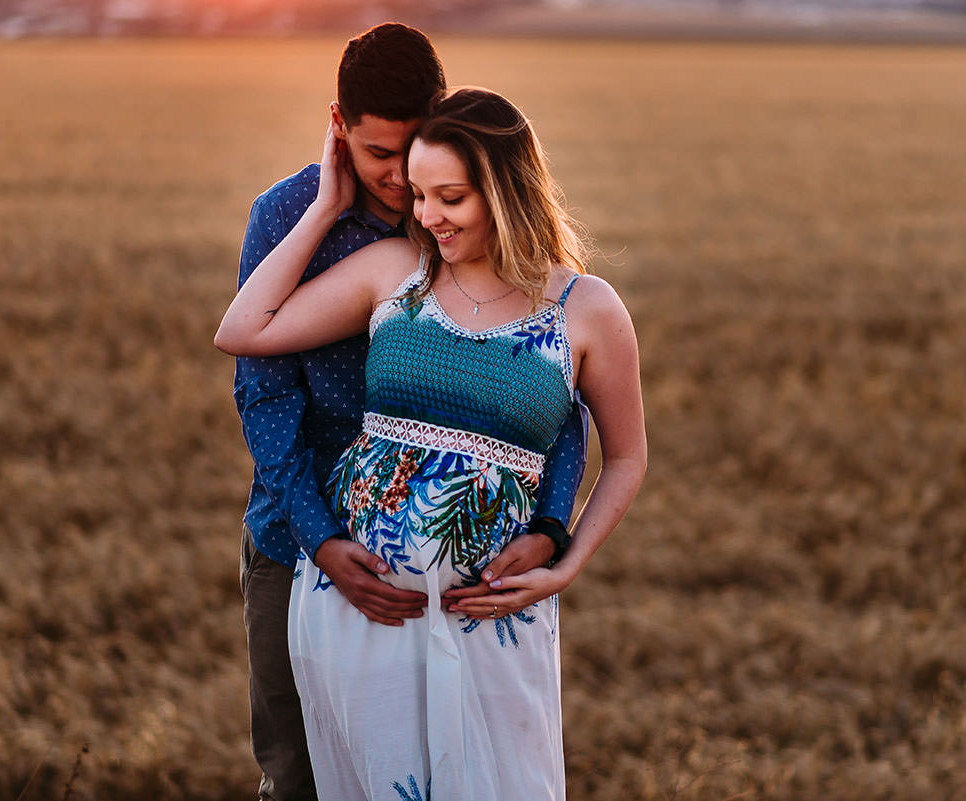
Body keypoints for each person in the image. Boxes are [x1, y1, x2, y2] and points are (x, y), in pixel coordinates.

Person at [218, 86, 646, 800]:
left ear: (505, 192)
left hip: (493, 615)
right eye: (419, 195)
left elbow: (624, 455)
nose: (425, 215)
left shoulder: (589, 308)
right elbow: (243, 330)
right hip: (361, 609)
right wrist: (325, 205)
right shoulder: (398, 272)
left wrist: (565, 557)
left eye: (449, 197)